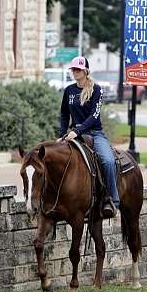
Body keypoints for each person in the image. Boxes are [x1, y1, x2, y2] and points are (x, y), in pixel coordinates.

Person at [59, 56, 120, 218]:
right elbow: (64, 114)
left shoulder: (97, 89)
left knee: (108, 160)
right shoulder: (69, 90)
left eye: (78, 69)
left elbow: (94, 116)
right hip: (73, 134)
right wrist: (62, 134)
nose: (75, 72)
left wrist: (77, 131)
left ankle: (112, 199)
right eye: (73, 69)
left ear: (86, 71)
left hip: (94, 133)